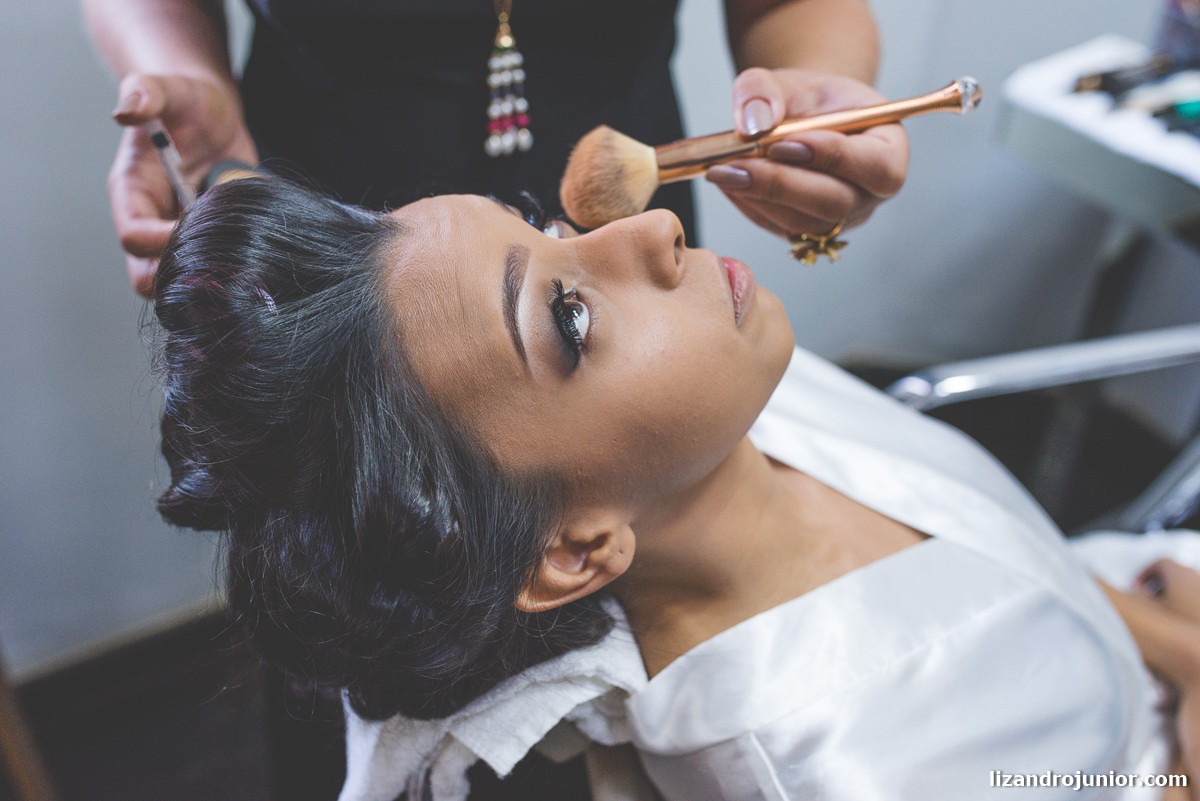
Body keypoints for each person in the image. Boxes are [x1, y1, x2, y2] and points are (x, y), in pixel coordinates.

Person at [154, 175, 1200, 801]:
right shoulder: (836, 758)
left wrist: (1177, 652)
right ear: (570, 551)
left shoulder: (732, 419)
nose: (648, 231)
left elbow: (1007, 560)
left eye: (546, 227)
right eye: (569, 319)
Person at [84, 0, 909, 296]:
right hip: (319, 238)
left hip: (619, 212)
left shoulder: (649, 251)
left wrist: (811, 92)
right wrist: (178, 79)